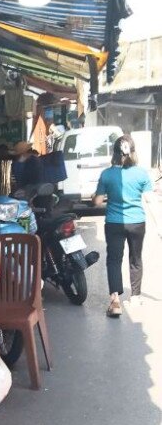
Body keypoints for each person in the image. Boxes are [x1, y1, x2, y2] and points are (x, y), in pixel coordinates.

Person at [93, 135, 156, 317]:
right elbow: (150, 198)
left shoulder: (107, 174)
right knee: (135, 259)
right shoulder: (141, 173)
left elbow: (97, 202)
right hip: (137, 223)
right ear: (133, 151)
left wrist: (96, 196)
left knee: (114, 259)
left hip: (114, 223)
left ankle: (115, 301)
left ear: (114, 152)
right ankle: (135, 297)